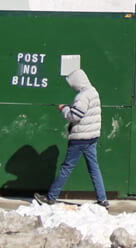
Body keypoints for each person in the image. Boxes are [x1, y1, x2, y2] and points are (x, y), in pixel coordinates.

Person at [36, 68, 107, 207]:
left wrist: (64, 109)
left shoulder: (82, 96)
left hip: (79, 138)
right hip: (92, 137)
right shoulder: (93, 91)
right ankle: (102, 199)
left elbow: (75, 116)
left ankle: (51, 197)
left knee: (67, 167)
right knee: (94, 168)